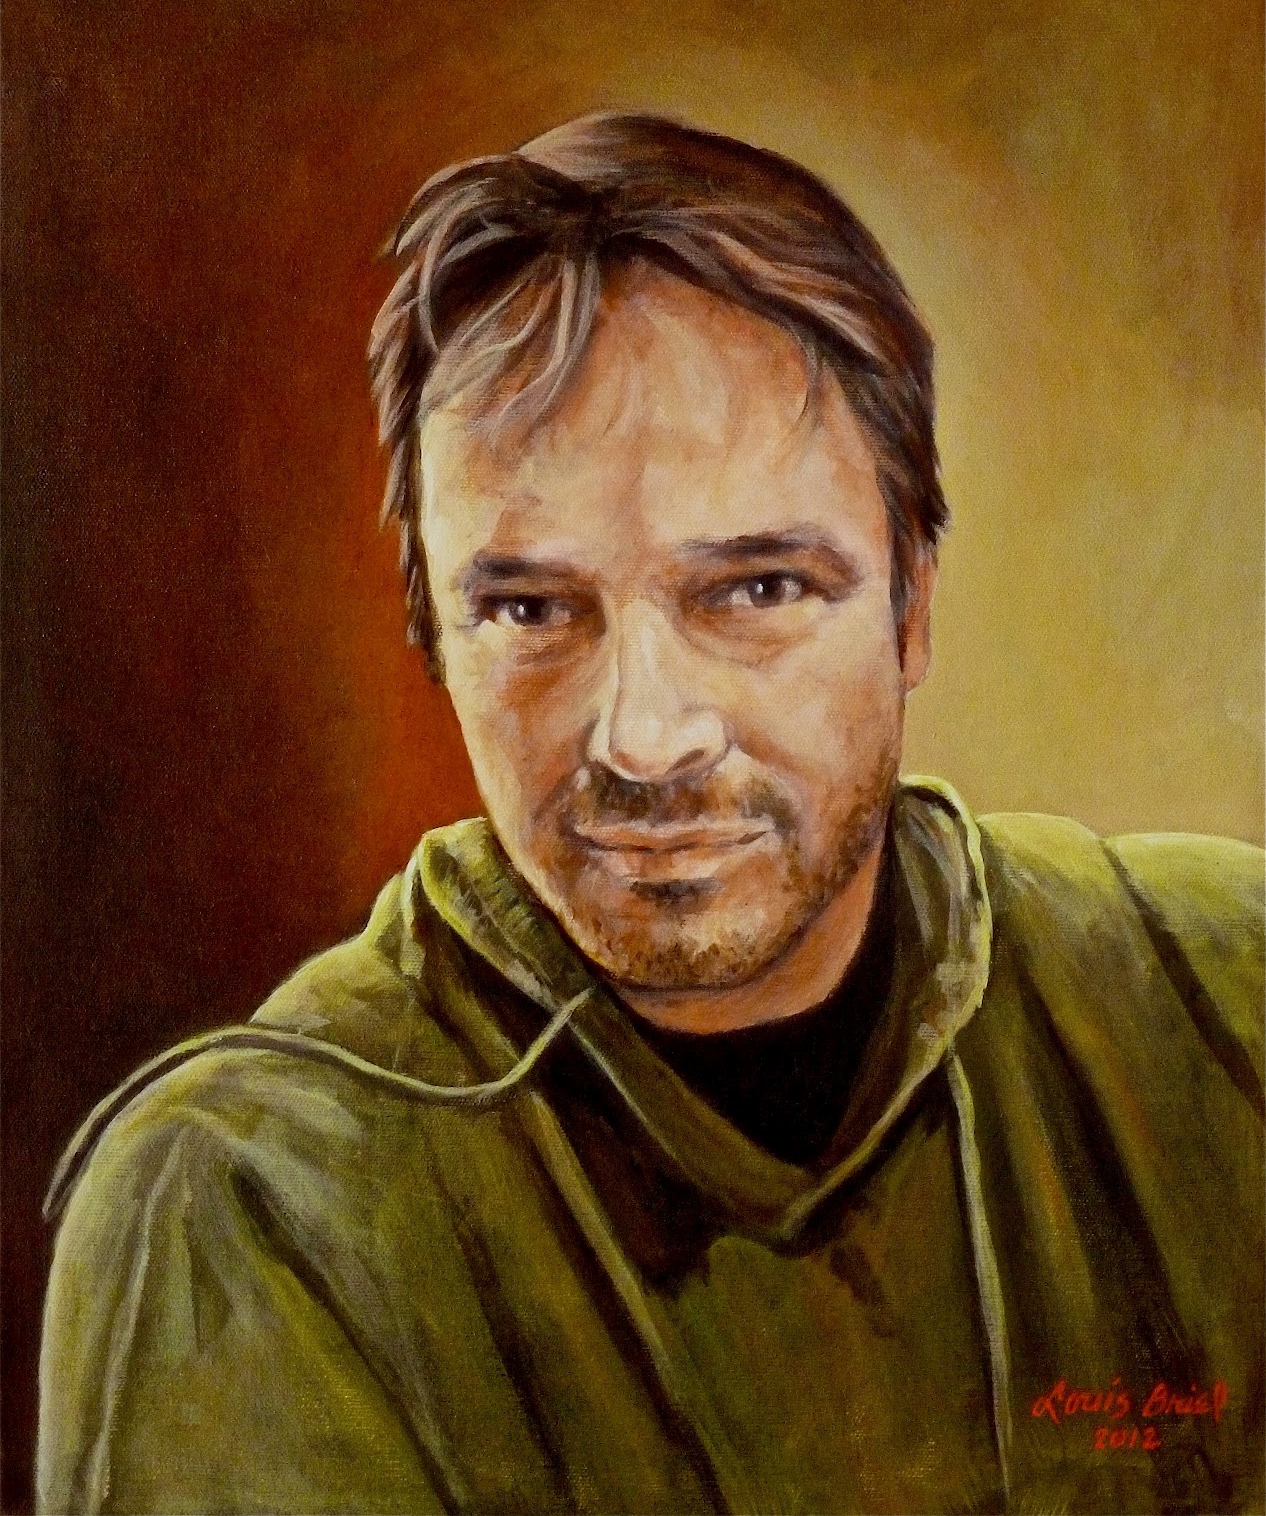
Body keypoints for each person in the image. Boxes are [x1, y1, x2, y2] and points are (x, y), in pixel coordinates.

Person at [38, 113, 1263, 1515]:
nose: (644, 738)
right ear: (433, 633)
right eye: (530, 610)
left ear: (913, 604)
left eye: (755, 591)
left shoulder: (1222, 1002)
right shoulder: (243, 1202)